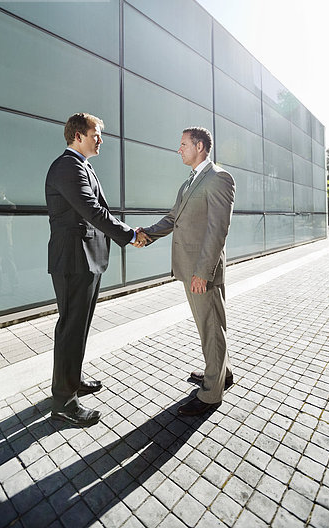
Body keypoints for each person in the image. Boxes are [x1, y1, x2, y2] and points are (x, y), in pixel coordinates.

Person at [45, 112, 146, 427]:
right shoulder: (67, 167)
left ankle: (71, 381)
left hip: (86, 258)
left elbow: (96, 211)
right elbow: (91, 210)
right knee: (71, 329)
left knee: (79, 327)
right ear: (78, 136)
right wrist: (129, 235)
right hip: (74, 259)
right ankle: (63, 402)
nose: (101, 139)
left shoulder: (82, 167)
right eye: (96, 134)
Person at [137, 127, 235, 416]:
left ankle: (210, 395)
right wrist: (145, 234)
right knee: (211, 326)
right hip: (190, 268)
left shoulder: (219, 178)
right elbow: (173, 218)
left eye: (183, 144)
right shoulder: (189, 183)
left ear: (200, 146)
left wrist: (203, 272)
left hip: (202, 271)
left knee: (210, 327)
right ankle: (221, 374)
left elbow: (218, 230)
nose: (178, 149)